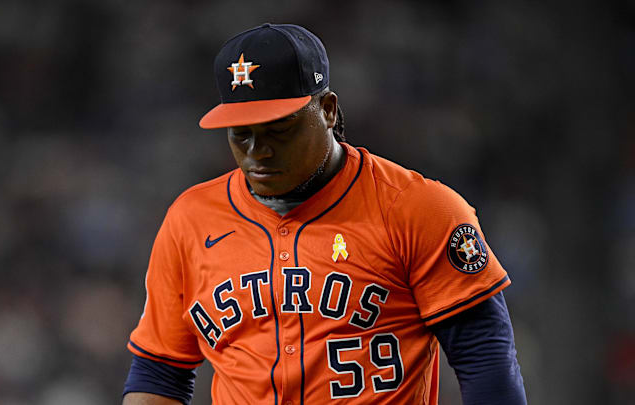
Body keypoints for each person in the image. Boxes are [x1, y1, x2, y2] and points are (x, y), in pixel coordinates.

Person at [122, 23, 527, 405]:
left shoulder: (417, 208)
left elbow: (483, 353)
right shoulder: (190, 219)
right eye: (241, 133)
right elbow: (160, 370)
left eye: (278, 130)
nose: (257, 151)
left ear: (328, 110)